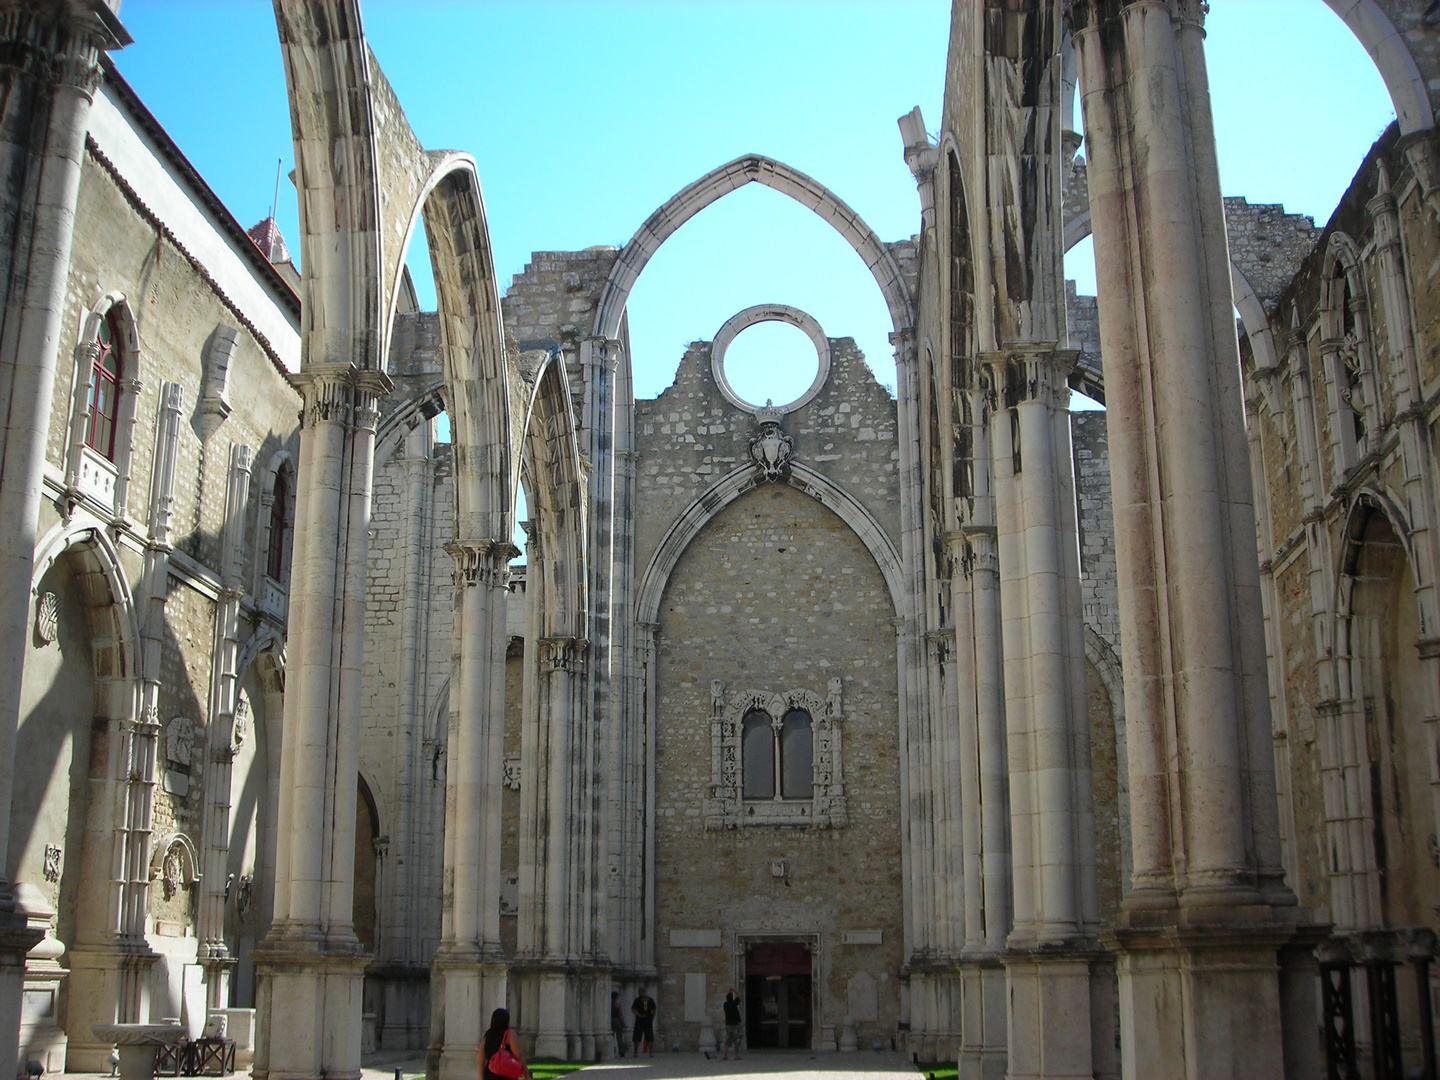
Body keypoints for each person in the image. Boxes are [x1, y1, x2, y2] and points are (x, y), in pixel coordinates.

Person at [479, 1007, 529, 1080]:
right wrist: (527, 1075)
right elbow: (519, 1055)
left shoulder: (486, 1037)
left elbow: (480, 1062)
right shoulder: (509, 1035)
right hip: (506, 1073)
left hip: (490, 1074)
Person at [631, 986, 657, 1057]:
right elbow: (654, 1011)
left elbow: (634, 1010)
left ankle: (635, 1053)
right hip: (648, 1020)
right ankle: (651, 1053)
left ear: (639, 992)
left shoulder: (637, 1000)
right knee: (649, 1037)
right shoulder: (650, 1000)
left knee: (637, 1037)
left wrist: (640, 1015)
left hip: (639, 1020)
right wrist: (651, 1018)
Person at [721, 988, 743, 1060]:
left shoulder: (725, 1005)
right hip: (735, 1025)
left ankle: (725, 1055)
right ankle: (736, 1055)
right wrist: (734, 990)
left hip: (728, 1025)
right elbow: (739, 995)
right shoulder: (734, 1003)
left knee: (728, 1040)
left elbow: (728, 997)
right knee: (736, 1040)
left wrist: (729, 992)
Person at [610, 990, 628, 1058]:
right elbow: (620, 1014)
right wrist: (623, 1023)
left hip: (611, 1020)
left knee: (611, 1036)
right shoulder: (618, 1004)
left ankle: (612, 1050)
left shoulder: (609, 1004)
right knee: (619, 1038)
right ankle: (621, 1052)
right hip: (617, 1021)